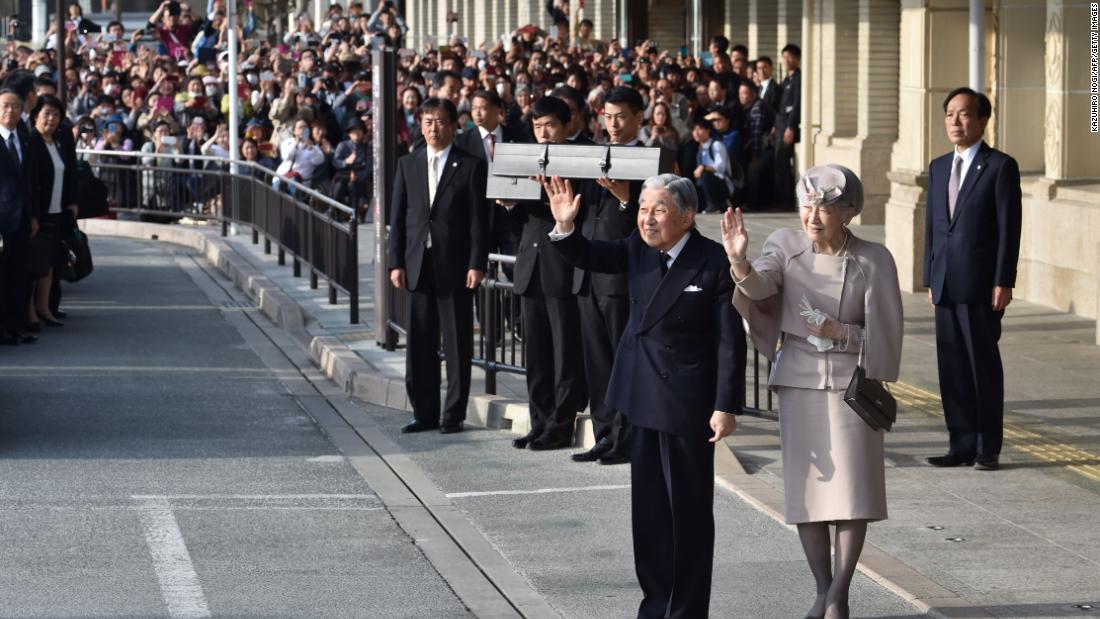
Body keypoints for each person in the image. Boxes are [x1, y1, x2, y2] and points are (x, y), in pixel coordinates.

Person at [546, 172, 745, 618]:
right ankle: (655, 605)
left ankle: (687, 609)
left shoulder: (713, 261)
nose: (647, 219)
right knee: (650, 515)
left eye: (658, 210)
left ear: (687, 217)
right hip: (643, 397)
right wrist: (564, 227)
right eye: (642, 209)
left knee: (688, 517)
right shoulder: (637, 249)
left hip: (688, 405)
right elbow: (593, 255)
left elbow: (729, 342)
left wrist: (726, 405)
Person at [725, 164, 903, 619]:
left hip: (852, 387)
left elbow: (886, 336)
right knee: (808, 494)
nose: (813, 215)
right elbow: (761, 287)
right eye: (807, 205)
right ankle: (822, 590)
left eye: (825, 206)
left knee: (853, 493)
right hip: (799, 379)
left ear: (849, 211)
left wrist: (842, 332)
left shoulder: (874, 259)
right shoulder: (785, 246)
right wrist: (740, 261)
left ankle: (840, 593)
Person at [923, 87, 1022, 471]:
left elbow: (1008, 227)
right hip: (944, 281)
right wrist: (929, 274)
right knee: (951, 365)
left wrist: (1003, 279)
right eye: (950, 114)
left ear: (982, 120)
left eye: (964, 114)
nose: (955, 122)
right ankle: (960, 443)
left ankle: (986, 447)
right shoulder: (938, 167)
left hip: (981, 283)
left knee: (982, 365)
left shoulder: (999, 166)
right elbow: (933, 227)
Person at [387, 98, 489, 435]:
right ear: (420, 123)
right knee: (419, 342)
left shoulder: (471, 165)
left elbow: (478, 221)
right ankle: (424, 412)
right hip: (417, 264)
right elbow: (398, 218)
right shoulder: (408, 163)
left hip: (456, 265)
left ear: (453, 125)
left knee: (458, 342)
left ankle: (453, 414)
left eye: (441, 121)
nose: (434, 128)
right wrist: (396, 261)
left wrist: (477, 262)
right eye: (428, 121)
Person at [499, 96, 586, 450]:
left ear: (567, 126)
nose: (544, 132)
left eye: (550, 125)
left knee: (565, 351)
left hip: (562, 266)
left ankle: (560, 425)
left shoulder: (580, 160)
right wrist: (510, 203)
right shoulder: (527, 159)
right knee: (535, 353)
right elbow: (526, 218)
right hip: (530, 263)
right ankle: (539, 420)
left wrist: (530, 196)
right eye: (537, 127)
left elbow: (572, 210)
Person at [568, 86, 646, 464]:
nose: (613, 124)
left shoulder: (652, 160)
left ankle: (625, 438)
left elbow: (655, 224)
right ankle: (603, 434)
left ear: (638, 119)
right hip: (588, 274)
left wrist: (625, 198)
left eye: (621, 117)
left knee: (621, 360)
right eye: (608, 117)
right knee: (596, 362)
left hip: (621, 277)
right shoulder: (594, 156)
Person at [27, 94, 78, 330]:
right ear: (36, 114)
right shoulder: (31, 141)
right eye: (47, 113)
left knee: (49, 263)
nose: (52, 119)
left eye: (56, 114)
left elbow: (67, 174)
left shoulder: (57, 141)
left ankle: (44, 307)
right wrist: (32, 214)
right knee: (33, 264)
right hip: (39, 212)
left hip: (57, 211)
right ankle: (29, 311)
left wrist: (71, 202)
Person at [0, 87, 39, 345]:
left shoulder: (25, 139)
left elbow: (30, 182)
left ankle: (16, 325)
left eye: (15, 105)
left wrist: (33, 216)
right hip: (2, 220)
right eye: (4, 106)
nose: (10, 111)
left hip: (23, 219)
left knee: (19, 276)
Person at [774, 44, 802, 209]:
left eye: (790, 56)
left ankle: (787, 202)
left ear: (798, 58)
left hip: (789, 128)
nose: (786, 60)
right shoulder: (786, 80)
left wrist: (791, 127)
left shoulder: (799, 78)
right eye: (784, 57)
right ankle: (781, 199)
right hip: (780, 126)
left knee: (784, 164)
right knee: (778, 163)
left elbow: (797, 105)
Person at [690, 118, 732, 214]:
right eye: (694, 129)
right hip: (706, 185)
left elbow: (721, 168)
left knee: (705, 174)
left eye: (699, 129)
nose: (696, 132)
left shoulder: (716, 145)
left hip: (722, 185)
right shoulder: (700, 149)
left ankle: (714, 204)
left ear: (708, 130)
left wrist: (703, 167)